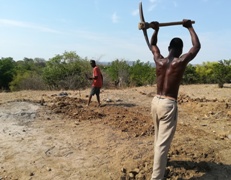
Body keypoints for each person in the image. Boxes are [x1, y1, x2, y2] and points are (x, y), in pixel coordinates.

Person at [149, 19, 201, 179]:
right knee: (162, 145)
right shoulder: (179, 62)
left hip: (155, 101)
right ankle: (157, 177)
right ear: (180, 50)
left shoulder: (159, 60)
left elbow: (153, 46)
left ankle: (162, 163)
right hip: (168, 104)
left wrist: (155, 31)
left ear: (169, 48)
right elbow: (196, 47)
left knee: (158, 137)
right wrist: (190, 27)